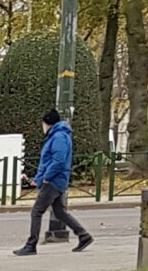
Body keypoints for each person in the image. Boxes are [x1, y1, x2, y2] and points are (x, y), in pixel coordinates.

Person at [15, 107, 92, 255]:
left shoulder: (58, 137)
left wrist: (45, 178)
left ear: (47, 123)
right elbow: (50, 160)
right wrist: (37, 179)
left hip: (54, 180)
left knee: (37, 212)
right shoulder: (59, 136)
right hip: (57, 179)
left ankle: (31, 245)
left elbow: (57, 161)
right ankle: (83, 235)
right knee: (60, 212)